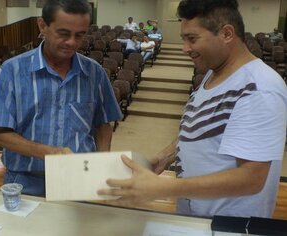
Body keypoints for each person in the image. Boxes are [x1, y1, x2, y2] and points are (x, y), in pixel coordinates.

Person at [98, 0, 287, 218]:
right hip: (197, 217)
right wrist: (164, 158)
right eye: (184, 39)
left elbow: (252, 178)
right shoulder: (214, 72)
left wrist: (164, 188)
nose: (185, 48)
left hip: (229, 224)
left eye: (192, 39)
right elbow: (201, 128)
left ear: (226, 34)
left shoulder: (259, 88)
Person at [0, 0, 122, 197]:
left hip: (78, 176)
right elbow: (0, 134)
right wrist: (50, 153)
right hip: (25, 179)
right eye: (63, 33)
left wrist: (102, 161)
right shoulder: (11, 70)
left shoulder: (95, 73)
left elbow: (103, 124)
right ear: (42, 26)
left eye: (79, 35)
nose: (72, 42)